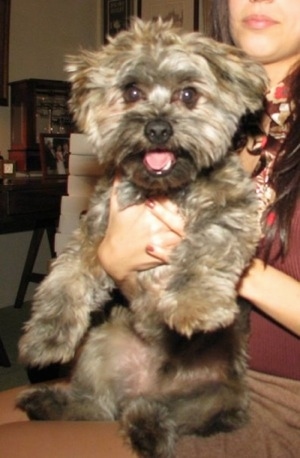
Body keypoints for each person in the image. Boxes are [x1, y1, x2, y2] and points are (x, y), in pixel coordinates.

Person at [0, 1, 299, 456]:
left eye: (185, 96)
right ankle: (97, 403)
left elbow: (200, 286)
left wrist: (231, 270)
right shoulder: (227, 122)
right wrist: (116, 262)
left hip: (266, 396)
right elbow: (146, 288)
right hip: (153, 350)